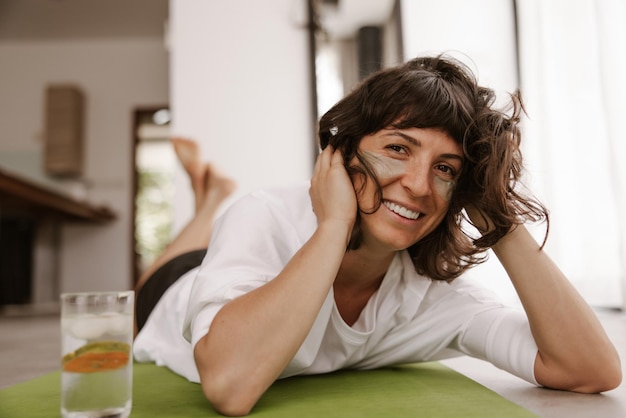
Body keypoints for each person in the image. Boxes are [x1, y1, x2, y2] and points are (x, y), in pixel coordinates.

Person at [133, 55, 621, 417]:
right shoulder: (264, 214)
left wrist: (497, 217)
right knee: (166, 268)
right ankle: (210, 202)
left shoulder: (430, 299)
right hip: (175, 290)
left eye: (446, 169)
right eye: (397, 148)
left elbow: (590, 370)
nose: (417, 184)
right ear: (341, 154)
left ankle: (207, 198)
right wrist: (333, 225)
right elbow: (230, 386)